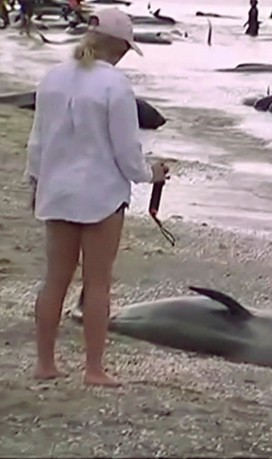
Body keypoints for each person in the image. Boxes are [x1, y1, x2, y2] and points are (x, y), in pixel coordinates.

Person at [25, 7, 169, 387]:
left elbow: (37, 140)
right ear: (121, 47)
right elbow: (126, 151)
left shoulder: (52, 78)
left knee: (54, 279)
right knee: (98, 282)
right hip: (101, 194)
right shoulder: (115, 85)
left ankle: (44, 363)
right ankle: (93, 369)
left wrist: (34, 181)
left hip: (56, 189)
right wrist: (150, 174)